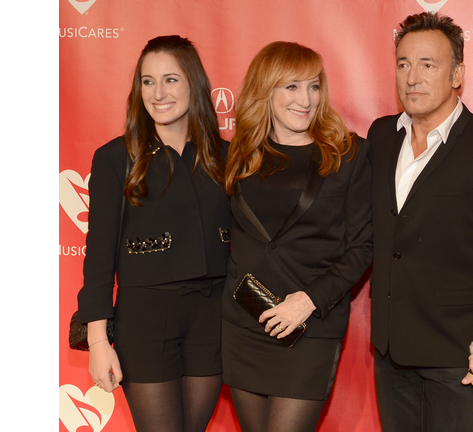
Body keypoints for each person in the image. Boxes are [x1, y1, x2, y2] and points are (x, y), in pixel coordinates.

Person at [367, 12, 473, 431]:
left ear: (457, 74)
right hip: (389, 352)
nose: (412, 77)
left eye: (427, 64)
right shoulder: (382, 136)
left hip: (456, 356)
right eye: (403, 63)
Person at [76, 35, 231, 432]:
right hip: (146, 320)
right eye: (148, 81)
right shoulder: (115, 158)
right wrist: (97, 341)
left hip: (211, 318)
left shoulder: (227, 155)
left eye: (170, 80)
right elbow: (98, 257)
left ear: (193, 85)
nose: (158, 93)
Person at [220, 41, 373, 432]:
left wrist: (308, 301)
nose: (305, 99)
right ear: (265, 91)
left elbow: (362, 248)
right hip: (244, 325)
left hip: (309, 327)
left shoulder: (347, 154)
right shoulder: (241, 154)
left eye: (314, 86)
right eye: (291, 86)